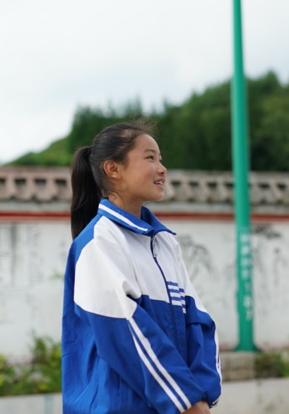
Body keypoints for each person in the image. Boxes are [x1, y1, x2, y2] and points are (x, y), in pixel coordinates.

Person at [62, 121, 221, 414]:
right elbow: (125, 330)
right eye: (150, 158)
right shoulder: (99, 241)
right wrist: (186, 401)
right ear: (113, 169)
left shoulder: (165, 243)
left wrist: (201, 395)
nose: (162, 168)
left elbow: (198, 321)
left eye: (160, 159)